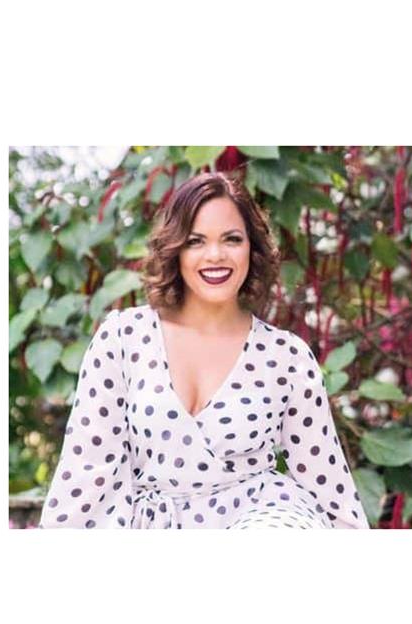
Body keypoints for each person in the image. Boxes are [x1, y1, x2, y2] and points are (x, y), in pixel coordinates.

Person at [37, 172, 369, 529]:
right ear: (175, 249)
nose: (215, 255)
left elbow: (328, 486)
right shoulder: (122, 338)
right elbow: (85, 470)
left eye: (232, 239)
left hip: (263, 519)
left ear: (252, 248)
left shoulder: (287, 357)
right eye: (196, 241)